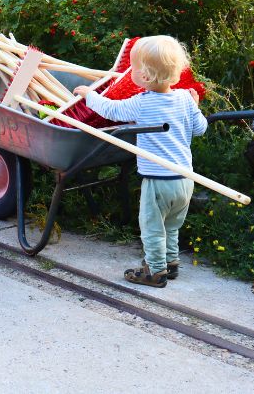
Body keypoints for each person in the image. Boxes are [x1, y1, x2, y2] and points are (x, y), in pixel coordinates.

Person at [73, 36, 208, 288]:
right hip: (185, 181)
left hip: (158, 182)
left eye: (133, 69)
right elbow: (200, 129)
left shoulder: (142, 104)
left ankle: (155, 271)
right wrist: (196, 106)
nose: (129, 72)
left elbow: (112, 110)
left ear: (144, 76)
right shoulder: (184, 99)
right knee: (171, 225)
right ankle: (171, 262)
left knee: (153, 228)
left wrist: (89, 95)